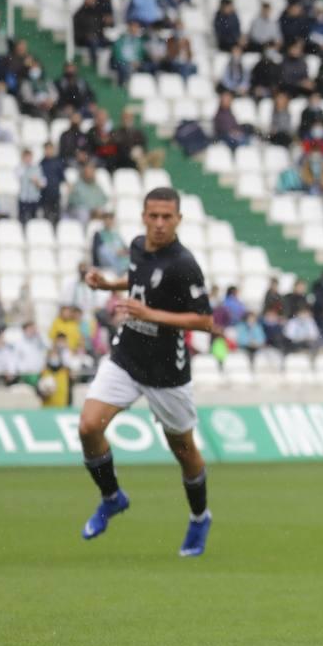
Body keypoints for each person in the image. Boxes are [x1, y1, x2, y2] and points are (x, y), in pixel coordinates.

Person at [78, 188, 215, 557]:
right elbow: (140, 278)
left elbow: (204, 320)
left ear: (178, 220)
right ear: (142, 216)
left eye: (166, 217)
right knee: (89, 426)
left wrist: (151, 314)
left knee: (184, 451)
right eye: (152, 216)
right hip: (126, 356)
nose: (158, 223)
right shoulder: (138, 246)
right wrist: (108, 284)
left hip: (167, 371)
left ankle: (200, 517)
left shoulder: (185, 264)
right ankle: (112, 497)